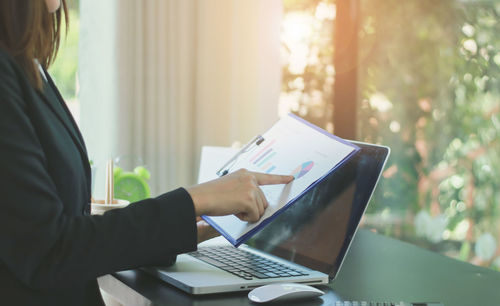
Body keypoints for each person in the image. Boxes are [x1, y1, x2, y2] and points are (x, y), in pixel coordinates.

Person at [0, 0, 293, 305]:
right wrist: (195, 199)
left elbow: (60, 229)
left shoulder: (26, 65)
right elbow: (47, 251)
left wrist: (188, 226)